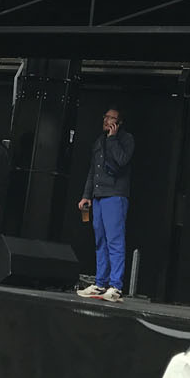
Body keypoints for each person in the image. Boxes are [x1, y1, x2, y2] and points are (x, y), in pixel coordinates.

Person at [76, 106, 134, 302]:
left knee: (114, 241)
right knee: (100, 240)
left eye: (112, 118)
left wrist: (113, 139)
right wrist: (86, 195)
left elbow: (122, 161)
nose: (107, 120)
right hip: (99, 195)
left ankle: (116, 286)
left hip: (115, 195)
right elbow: (93, 171)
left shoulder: (125, 140)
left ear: (119, 123)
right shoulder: (98, 141)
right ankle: (101, 283)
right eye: (106, 117)